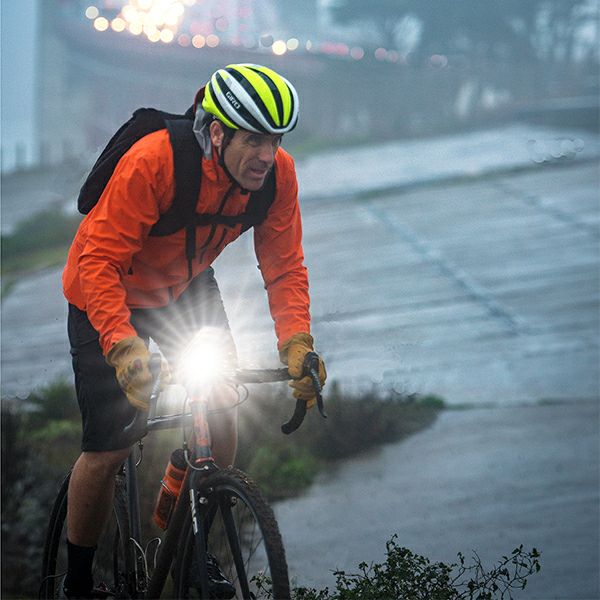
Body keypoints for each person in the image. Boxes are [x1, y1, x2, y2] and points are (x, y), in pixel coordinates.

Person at [61, 63, 326, 599]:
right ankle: (77, 584)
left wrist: (297, 342)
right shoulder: (155, 161)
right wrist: (121, 346)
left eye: (276, 140)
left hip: (183, 288)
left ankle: (188, 536)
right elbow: (99, 262)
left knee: (223, 405)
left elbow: (284, 266)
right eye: (254, 140)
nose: (267, 154)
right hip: (108, 289)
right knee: (108, 449)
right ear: (219, 132)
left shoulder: (277, 176)